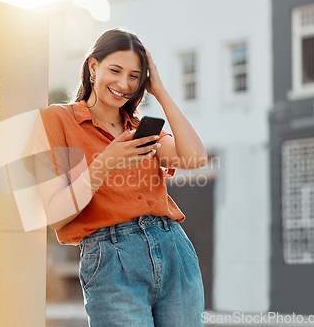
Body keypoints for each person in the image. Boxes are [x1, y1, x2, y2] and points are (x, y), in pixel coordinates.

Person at [31, 28, 207, 326]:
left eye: (135, 76)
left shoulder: (140, 129)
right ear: (93, 66)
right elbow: (56, 216)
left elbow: (195, 157)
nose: (124, 84)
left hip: (172, 248)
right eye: (115, 70)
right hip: (111, 259)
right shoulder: (57, 119)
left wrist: (160, 91)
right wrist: (105, 163)